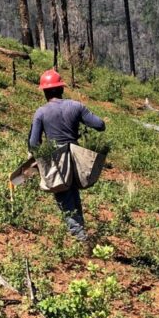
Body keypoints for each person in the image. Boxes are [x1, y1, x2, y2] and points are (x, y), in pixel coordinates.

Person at [27, 68, 105, 241]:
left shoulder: (41, 112)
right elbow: (100, 125)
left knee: (65, 199)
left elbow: (33, 143)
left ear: (45, 92)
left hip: (56, 161)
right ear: (61, 89)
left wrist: (38, 160)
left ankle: (80, 238)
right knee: (73, 196)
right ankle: (82, 235)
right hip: (76, 159)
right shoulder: (76, 106)